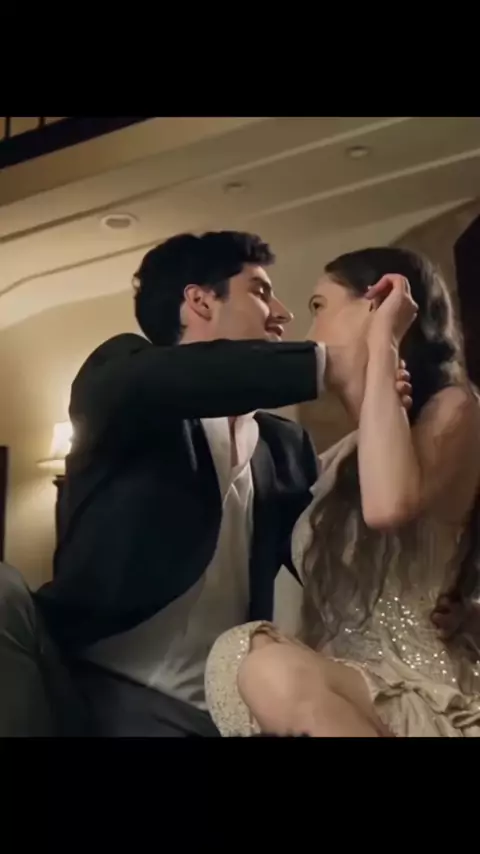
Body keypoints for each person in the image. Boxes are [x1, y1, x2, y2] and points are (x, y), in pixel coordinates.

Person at [25, 229, 396, 738]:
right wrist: (330, 363)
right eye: (261, 291)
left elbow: (329, 560)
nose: (283, 313)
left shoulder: (285, 444)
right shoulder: (119, 383)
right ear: (199, 300)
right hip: (106, 685)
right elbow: (165, 379)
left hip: (235, 699)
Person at [205, 247, 480, 738]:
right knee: (247, 653)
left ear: (374, 304)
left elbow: (387, 505)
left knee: (264, 664)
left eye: (319, 307)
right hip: (343, 693)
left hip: (421, 692)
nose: (308, 332)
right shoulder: (330, 461)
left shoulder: (455, 409)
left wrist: (383, 344)